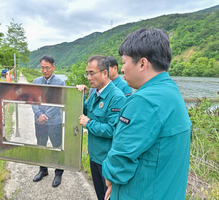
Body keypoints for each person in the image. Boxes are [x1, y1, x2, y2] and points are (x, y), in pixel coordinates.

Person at [102, 28, 192, 200]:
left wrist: (110, 179)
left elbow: (119, 160)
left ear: (142, 63)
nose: (122, 70)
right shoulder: (171, 91)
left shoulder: (143, 101)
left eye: (124, 62)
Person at [77, 55, 126, 200]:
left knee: (108, 196)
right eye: (87, 73)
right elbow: (85, 111)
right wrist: (80, 96)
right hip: (94, 156)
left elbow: (113, 129)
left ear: (105, 73)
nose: (89, 77)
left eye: (92, 73)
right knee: (99, 194)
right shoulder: (95, 93)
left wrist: (89, 123)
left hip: (107, 160)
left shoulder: (117, 97)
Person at [32, 55, 65, 187]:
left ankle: (58, 173)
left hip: (54, 121)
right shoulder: (36, 81)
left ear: (53, 67)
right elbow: (33, 99)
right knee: (41, 146)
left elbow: (58, 102)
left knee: (57, 147)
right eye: (42, 68)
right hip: (39, 121)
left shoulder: (60, 82)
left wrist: (46, 116)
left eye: (47, 68)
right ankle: (43, 170)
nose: (44, 70)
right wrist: (39, 114)